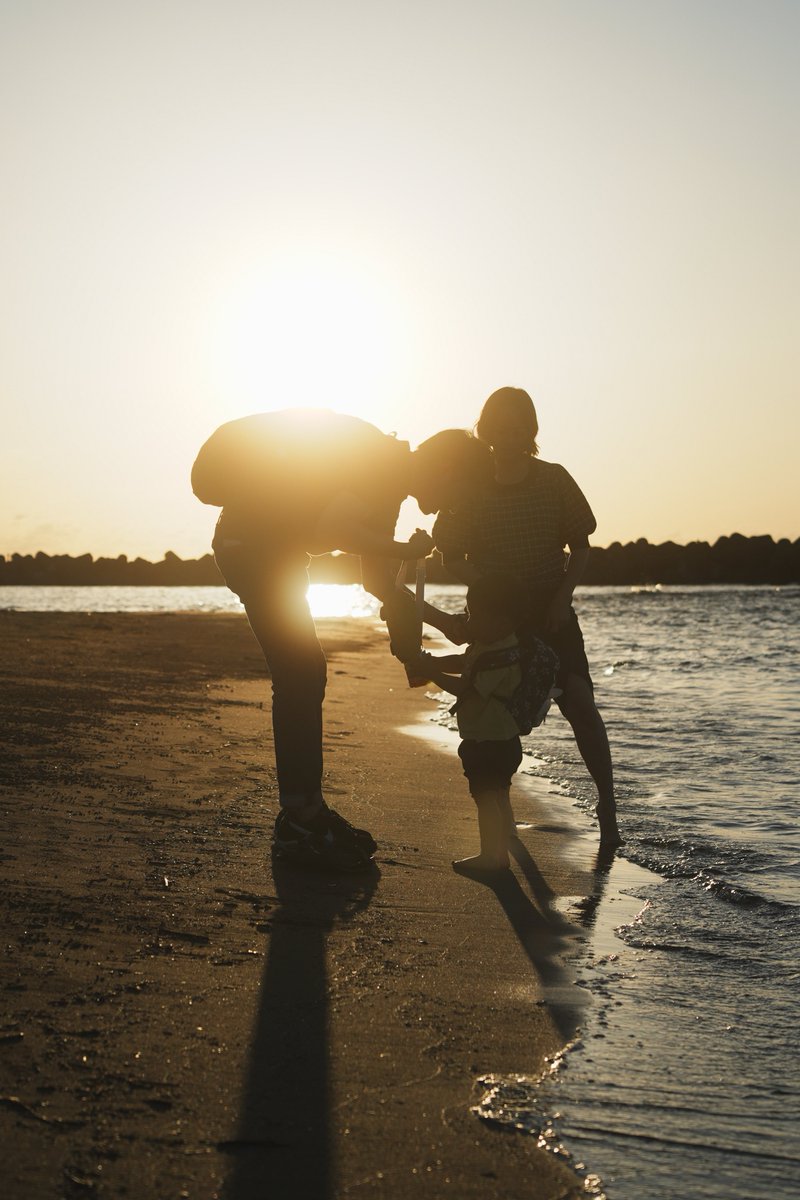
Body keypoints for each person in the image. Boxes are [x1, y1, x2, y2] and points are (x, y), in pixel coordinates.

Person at [191, 407, 491, 871]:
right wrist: (404, 551)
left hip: (272, 554)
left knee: (305, 673)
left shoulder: (389, 481)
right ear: (447, 469)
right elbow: (333, 531)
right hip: (253, 551)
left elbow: (378, 581)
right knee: (300, 674)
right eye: (457, 496)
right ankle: (300, 817)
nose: (449, 508)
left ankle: (304, 810)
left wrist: (438, 624)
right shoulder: (380, 464)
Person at [433, 387, 621, 846]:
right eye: (499, 423)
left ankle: (607, 802)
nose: (508, 432)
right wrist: (488, 589)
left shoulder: (553, 478)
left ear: (531, 429)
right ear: (485, 428)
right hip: (498, 615)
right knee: (497, 712)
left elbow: (580, 547)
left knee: (578, 703)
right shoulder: (470, 489)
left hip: (550, 606)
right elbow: (449, 555)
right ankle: (502, 810)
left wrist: (561, 599)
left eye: (518, 424)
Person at [411, 574, 527, 874]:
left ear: (503, 621)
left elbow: (466, 688)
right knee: (497, 793)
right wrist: (434, 663)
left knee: (486, 796)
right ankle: (500, 850)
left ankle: (492, 856)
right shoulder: (496, 645)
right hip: (502, 739)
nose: (469, 622)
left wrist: (432, 675)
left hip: (489, 740)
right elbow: (464, 662)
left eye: (476, 616)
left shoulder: (497, 656)